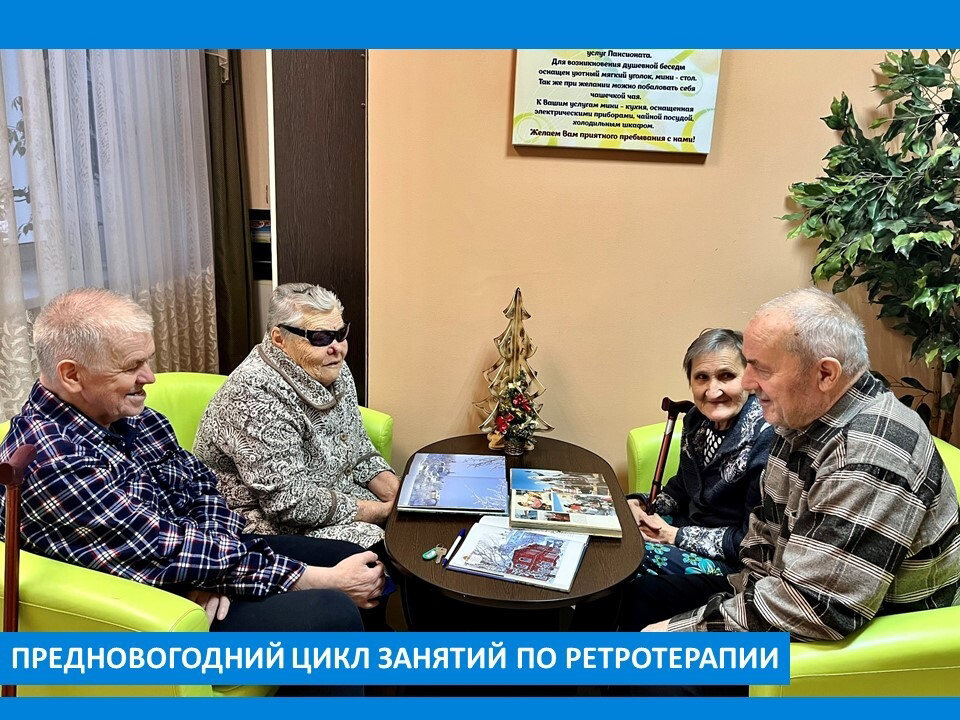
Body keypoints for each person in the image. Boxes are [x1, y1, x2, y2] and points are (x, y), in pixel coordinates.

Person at [0, 288, 386, 693]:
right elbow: (156, 546)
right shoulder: (51, 458)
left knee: (353, 558)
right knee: (328, 610)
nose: (149, 377)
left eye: (147, 361)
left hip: (194, 565)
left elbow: (203, 486)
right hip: (148, 610)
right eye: (132, 366)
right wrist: (305, 579)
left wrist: (211, 574)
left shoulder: (132, 416)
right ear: (71, 375)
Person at [620, 288, 960, 693]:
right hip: (776, 590)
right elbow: (762, 538)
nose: (748, 382)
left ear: (825, 374)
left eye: (760, 369)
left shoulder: (868, 456)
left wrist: (674, 635)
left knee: (644, 670)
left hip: (859, 641)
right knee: (632, 599)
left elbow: (814, 609)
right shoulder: (800, 418)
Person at [194, 283, 398, 550]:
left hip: (332, 497)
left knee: (415, 521)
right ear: (279, 339)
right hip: (262, 523)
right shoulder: (255, 393)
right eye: (320, 337)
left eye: (340, 334)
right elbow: (288, 502)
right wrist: (381, 512)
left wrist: (399, 496)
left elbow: (356, 446)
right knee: (380, 549)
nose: (337, 348)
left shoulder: (329, 364)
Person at [627, 329, 774, 576]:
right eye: (702, 378)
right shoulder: (696, 420)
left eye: (726, 376)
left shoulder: (765, 436)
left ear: (749, 380)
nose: (712, 391)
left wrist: (674, 535)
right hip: (684, 529)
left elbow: (753, 539)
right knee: (615, 531)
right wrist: (641, 503)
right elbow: (681, 489)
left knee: (629, 559)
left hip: (732, 560)